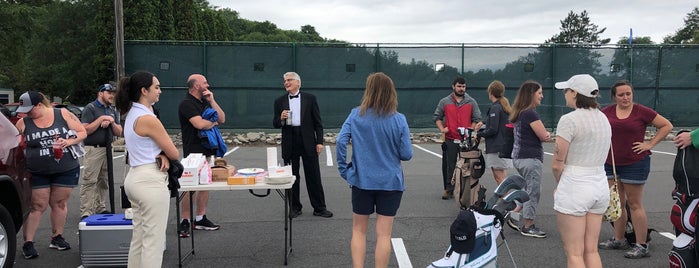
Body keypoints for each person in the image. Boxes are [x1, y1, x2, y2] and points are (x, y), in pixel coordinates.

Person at [336, 72, 413, 268]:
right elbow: (406, 154)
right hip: (390, 183)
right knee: (384, 235)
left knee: (359, 231)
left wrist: (345, 171)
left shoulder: (355, 115)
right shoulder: (399, 119)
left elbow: (340, 141)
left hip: (362, 181)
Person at [598, 80, 673, 258]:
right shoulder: (606, 112)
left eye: (628, 94)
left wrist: (649, 144)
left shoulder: (642, 111)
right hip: (611, 163)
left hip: (635, 164)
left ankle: (641, 244)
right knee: (617, 202)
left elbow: (666, 125)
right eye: (621, 95)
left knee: (634, 204)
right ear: (614, 97)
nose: (625, 97)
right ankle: (619, 239)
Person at [115, 71, 179, 267]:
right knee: (153, 242)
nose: (160, 91)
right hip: (149, 181)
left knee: (140, 238)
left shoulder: (132, 113)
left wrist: (162, 154)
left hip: (135, 178)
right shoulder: (148, 118)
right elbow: (174, 152)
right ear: (144, 90)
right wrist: (166, 154)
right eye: (157, 87)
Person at [15, 91, 87, 259]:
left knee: (59, 203)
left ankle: (57, 237)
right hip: (37, 171)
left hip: (65, 168)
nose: (26, 113)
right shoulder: (23, 122)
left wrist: (68, 141)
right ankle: (28, 243)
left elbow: (82, 132)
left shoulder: (62, 114)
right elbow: (14, 143)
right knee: (37, 205)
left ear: (40, 105)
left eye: (29, 109)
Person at [552, 74, 611, 267]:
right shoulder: (603, 118)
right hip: (600, 184)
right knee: (591, 250)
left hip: (575, 184)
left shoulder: (569, 120)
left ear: (575, 92)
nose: (565, 94)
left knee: (574, 253)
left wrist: (559, 184)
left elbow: (557, 162)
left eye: (566, 90)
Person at [273, 71, 332, 218]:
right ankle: (294, 207)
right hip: (290, 140)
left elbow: (318, 123)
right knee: (292, 176)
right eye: (285, 80)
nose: (286, 82)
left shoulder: (310, 99)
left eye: (289, 80)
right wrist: (280, 118)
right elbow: (275, 124)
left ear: (298, 82)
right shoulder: (279, 101)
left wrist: (319, 142)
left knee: (313, 175)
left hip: (307, 140)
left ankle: (319, 208)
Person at [177, 74, 225, 237]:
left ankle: (200, 218)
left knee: (205, 184)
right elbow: (198, 124)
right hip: (193, 152)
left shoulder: (205, 101)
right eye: (205, 82)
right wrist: (212, 123)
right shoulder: (186, 104)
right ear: (196, 86)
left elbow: (222, 118)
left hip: (208, 151)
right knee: (189, 187)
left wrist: (212, 100)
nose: (208, 84)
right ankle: (185, 220)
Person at [508, 80, 550, 238]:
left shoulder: (519, 112)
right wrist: (547, 134)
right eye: (539, 93)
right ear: (531, 94)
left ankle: (512, 213)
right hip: (530, 158)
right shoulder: (530, 113)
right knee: (533, 191)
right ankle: (528, 225)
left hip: (519, 157)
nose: (542, 96)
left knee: (528, 189)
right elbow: (543, 135)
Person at [433, 77, 482, 200]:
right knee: (449, 165)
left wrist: (469, 132)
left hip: (466, 142)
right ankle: (448, 189)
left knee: (466, 166)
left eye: (463, 86)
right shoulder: (445, 102)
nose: (461, 89)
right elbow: (437, 117)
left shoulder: (471, 102)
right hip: (450, 139)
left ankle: (465, 190)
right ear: (453, 87)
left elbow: (477, 119)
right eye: (459, 86)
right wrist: (442, 129)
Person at [79, 83, 123, 219]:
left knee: (104, 180)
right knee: (90, 180)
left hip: (107, 148)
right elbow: (85, 129)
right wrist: (101, 119)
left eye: (113, 93)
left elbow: (119, 131)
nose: (112, 95)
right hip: (93, 148)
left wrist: (111, 122)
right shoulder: (90, 108)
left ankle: (100, 207)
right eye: (109, 93)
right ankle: (86, 211)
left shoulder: (112, 110)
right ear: (100, 93)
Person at [477, 80, 513, 185]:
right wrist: (483, 123)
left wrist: (479, 134)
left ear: (491, 92)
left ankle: (508, 199)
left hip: (496, 147)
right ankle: (507, 199)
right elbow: (497, 122)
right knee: (503, 175)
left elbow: (493, 129)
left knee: (499, 177)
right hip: (504, 145)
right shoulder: (504, 106)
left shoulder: (495, 107)